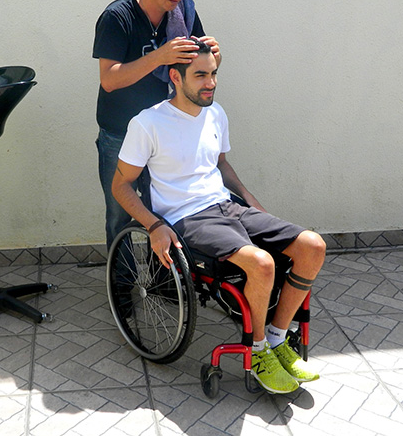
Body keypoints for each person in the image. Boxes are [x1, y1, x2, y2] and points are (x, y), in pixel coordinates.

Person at [111, 42, 326, 394]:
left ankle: (275, 339)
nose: (210, 83)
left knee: (312, 246)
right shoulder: (148, 123)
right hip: (187, 218)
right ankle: (257, 353)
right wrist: (154, 225)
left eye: (213, 74)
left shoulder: (216, 113)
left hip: (227, 206)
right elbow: (121, 185)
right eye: (200, 75)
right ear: (175, 77)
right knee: (263, 264)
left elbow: (221, 165)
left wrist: (252, 203)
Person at [93, 0, 220, 250]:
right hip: (119, 133)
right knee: (119, 216)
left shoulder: (184, 12)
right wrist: (159, 56)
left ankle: (165, 283)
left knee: (165, 212)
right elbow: (109, 80)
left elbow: (196, 71)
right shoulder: (117, 17)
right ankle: (121, 290)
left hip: (165, 132)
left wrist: (215, 57)